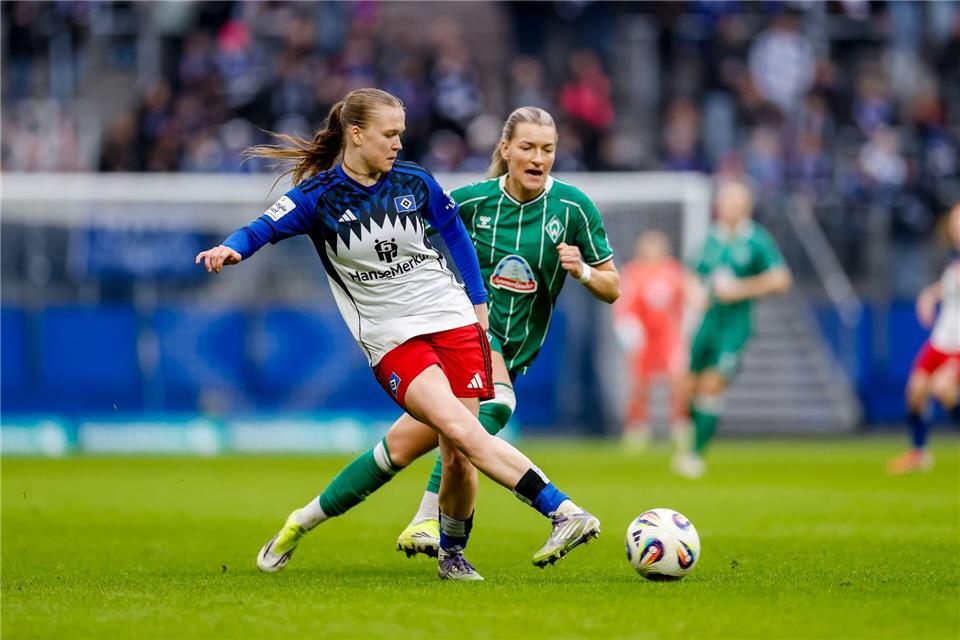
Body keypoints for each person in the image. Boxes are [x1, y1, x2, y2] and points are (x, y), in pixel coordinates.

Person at [194, 90, 601, 581]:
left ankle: (446, 554)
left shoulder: (415, 182)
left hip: (451, 321)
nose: (398, 144)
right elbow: (262, 228)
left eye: (401, 134)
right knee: (460, 428)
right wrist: (232, 249)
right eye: (390, 135)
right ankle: (562, 511)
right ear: (357, 134)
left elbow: (454, 237)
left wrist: (476, 306)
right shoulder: (317, 197)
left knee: (456, 456)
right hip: (393, 339)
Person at [672, 178, 792, 479]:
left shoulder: (757, 240)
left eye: (738, 203)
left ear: (747, 207)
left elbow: (781, 279)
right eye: (727, 203)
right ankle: (689, 435)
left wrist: (741, 288)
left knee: (712, 384)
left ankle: (695, 455)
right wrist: (694, 291)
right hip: (707, 322)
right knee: (687, 387)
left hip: (735, 325)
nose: (732, 208)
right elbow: (690, 273)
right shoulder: (711, 238)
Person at [888, 204, 960, 474]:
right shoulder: (953, 257)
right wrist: (929, 296)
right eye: (955, 222)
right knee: (916, 392)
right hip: (941, 338)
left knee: (943, 389)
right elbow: (948, 287)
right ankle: (919, 453)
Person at [614, 230, 694, 453]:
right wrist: (629, 330)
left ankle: (681, 425)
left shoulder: (674, 271)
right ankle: (638, 427)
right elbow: (625, 303)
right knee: (640, 384)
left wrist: (688, 325)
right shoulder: (633, 272)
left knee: (679, 381)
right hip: (644, 336)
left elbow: (688, 297)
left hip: (669, 336)